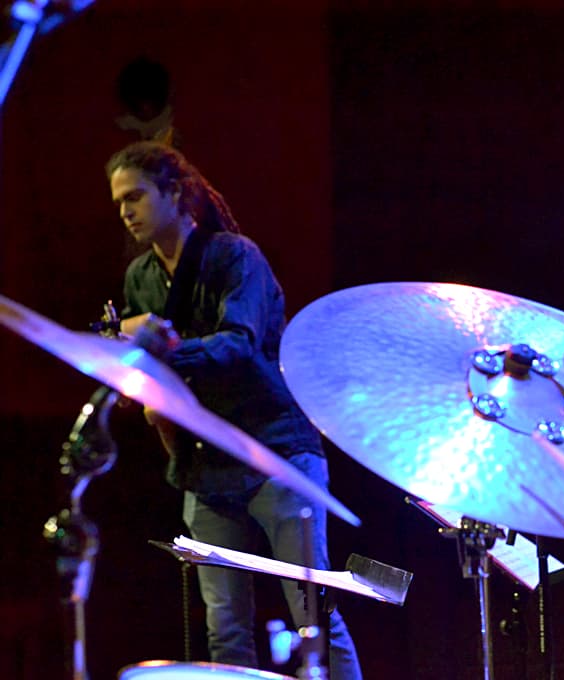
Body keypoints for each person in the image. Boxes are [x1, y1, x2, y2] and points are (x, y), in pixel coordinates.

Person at [106, 141, 363, 679]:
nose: (126, 211)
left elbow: (239, 345)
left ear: (175, 194)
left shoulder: (234, 255)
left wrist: (166, 349)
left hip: (276, 451)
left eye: (136, 196)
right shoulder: (139, 279)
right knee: (225, 628)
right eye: (118, 202)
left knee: (311, 615)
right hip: (205, 464)